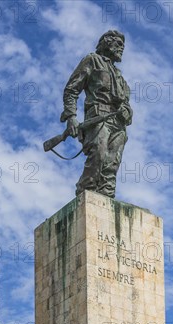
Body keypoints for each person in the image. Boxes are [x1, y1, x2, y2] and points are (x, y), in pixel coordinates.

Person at [60, 30, 133, 198]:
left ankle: (107, 196)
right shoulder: (92, 60)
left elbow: (127, 106)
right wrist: (71, 117)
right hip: (98, 117)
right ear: (107, 42)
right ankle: (85, 191)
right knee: (98, 155)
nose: (122, 49)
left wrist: (126, 112)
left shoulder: (120, 78)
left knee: (112, 163)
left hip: (119, 123)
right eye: (119, 44)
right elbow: (71, 89)